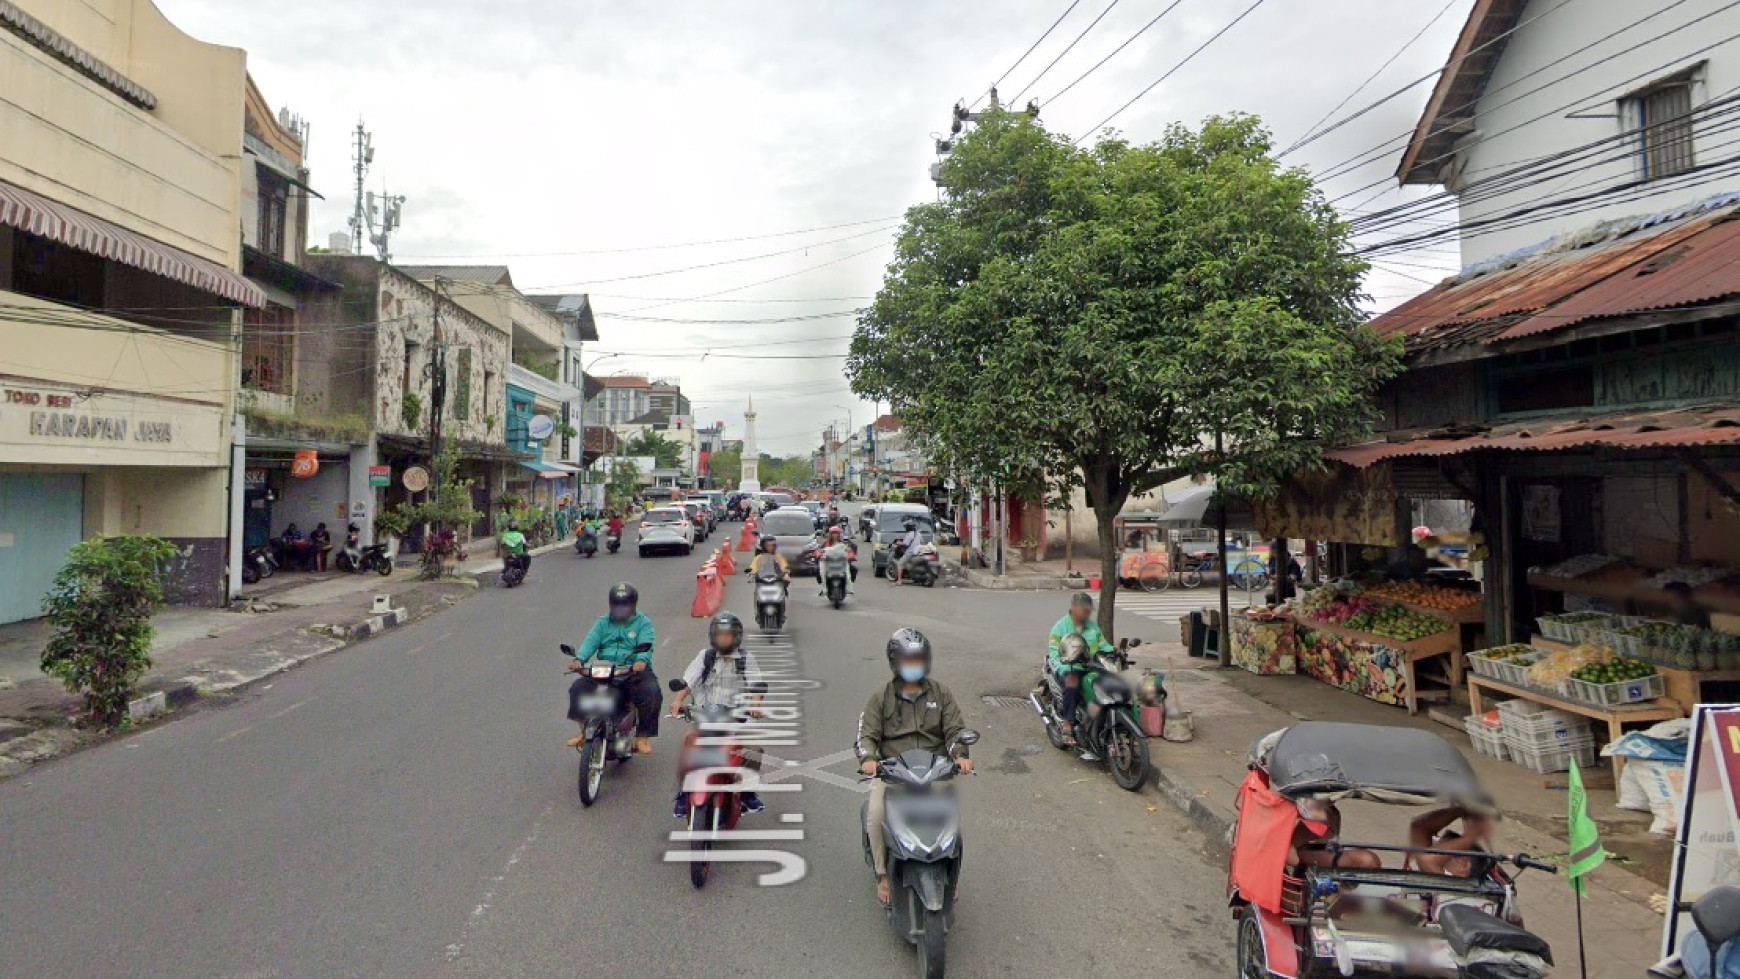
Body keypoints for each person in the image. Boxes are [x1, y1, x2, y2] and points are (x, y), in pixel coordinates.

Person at [856, 628, 972, 906]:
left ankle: (950, 874)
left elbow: (955, 729)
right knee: (875, 814)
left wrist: (960, 755)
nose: (913, 665)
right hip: (894, 771)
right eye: (908, 660)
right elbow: (867, 735)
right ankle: (883, 874)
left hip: (935, 770)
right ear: (895, 662)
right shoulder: (880, 697)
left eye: (918, 659)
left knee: (953, 820)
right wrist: (869, 759)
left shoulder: (941, 694)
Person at [669, 611, 765, 818]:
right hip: (706, 716)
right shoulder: (705, 656)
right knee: (688, 745)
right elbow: (688, 681)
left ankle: (747, 792)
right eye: (719, 634)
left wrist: (756, 706)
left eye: (728, 634)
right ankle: (683, 794)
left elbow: (757, 685)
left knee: (753, 749)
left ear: (736, 637)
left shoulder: (746, 659)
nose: (723, 638)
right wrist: (678, 701)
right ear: (713, 636)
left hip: (735, 719)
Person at [566, 582, 662, 754]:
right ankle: (583, 730)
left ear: (633, 605)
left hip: (632, 670)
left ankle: (642, 736)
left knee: (651, 692)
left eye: (624, 606)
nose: (620, 610)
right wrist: (579, 659)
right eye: (617, 606)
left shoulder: (643, 624)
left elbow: (647, 645)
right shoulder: (603, 623)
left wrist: (640, 660)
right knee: (578, 689)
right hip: (605, 669)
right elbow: (591, 641)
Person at [1047, 592, 1116, 756]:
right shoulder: (1060, 627)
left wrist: (1114, 652)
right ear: (1074, 608)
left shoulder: (1093, 627)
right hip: (1070, 668)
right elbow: (1053, 653)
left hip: (1090, 667)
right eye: (1084, 610)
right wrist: (1063, 667)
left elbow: (1103, 645)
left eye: (1088, 611)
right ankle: (1068, 723)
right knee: (1072, 683)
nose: (1086, 614)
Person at [1290, 798, 1382, 871]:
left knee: (1368, 860)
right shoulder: (1309, 812)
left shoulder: (1332, 813)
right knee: (1367, 860)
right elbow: (1292, 856)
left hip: (1321, 862)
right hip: (1299, 861)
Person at [1408, 804, 1496, 877]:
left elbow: (1426, 859)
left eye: (1439, 849)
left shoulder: (1454, 891)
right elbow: (1419, 827)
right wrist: (1461, 809)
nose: (1430, 849)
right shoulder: (1426, 870)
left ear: (1462, 864)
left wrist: (1470, 837)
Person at [892, 519, 921, 585]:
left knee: (900, 564)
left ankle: (899, 581)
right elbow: (921, 542)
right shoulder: (918, 534)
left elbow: (906, 544)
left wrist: (898, 543)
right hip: (917, 552)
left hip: (910, 553)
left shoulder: (909, 535)